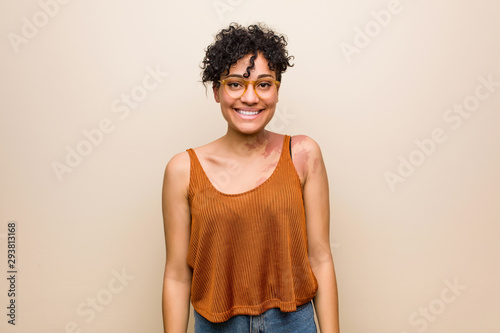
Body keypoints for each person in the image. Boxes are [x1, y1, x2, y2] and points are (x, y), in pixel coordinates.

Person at [162, 23, 339, 333]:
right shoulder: (182, 170)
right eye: (235, 84)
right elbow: (177, 274)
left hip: (293, 324)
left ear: (277, 91)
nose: (250, 97)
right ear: (216, 91)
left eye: (264, 84)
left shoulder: (303, 154)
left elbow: (320, 257)